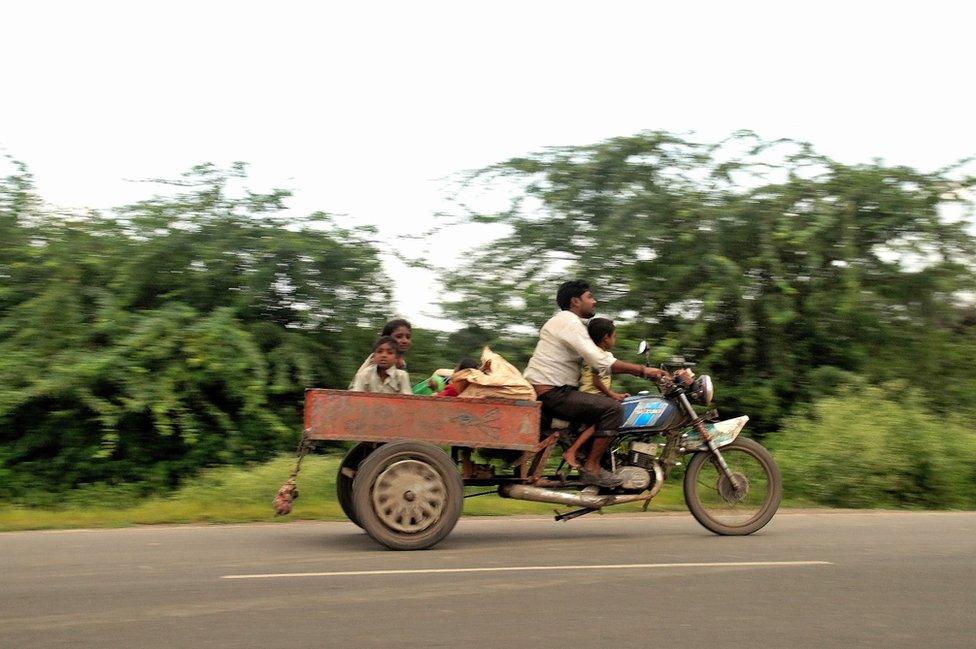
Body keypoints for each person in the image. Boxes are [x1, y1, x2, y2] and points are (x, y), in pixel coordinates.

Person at [523, 280, 678, 488]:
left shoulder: (571, 323)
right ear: (575, 301)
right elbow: (599, 360)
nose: (594, 301)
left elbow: (597, 346)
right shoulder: (568, 322)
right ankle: (592, 468)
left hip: (554, 389)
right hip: (553, 392)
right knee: (613, 409)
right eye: (590, 297)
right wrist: (642, 370)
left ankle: (594, 457)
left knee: (609, 405)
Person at [350, 319, 413, 389]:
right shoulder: (376, 360)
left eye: (408, 337)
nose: (405, 341)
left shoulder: (402, 365)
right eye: (399, 337)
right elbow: (354, 387)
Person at [580, 318, 630, 402]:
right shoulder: (598, 356)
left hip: (591, 397)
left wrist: (615, 395)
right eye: (614, 336)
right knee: (618, 410)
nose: (615, 340)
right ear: (606, 337)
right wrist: (612, 395)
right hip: (592, 398)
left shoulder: (591, 353)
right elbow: (596, 381)